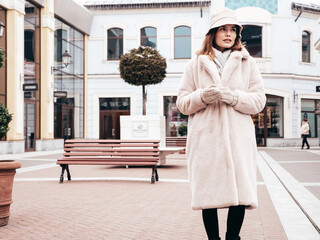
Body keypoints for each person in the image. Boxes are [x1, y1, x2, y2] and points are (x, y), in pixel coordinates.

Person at [176, 8, 266, 240]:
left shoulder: (248, 62)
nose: (229, 34)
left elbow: (258, 101)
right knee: (209, 196)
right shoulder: (194, 64)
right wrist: (203, 97)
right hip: (206, 140)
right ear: (213, 33)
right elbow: (183, 104)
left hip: (238, 139)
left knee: (240, 195)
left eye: (233, 30)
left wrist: (233, 97)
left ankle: (232, 238)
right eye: (223, 29)